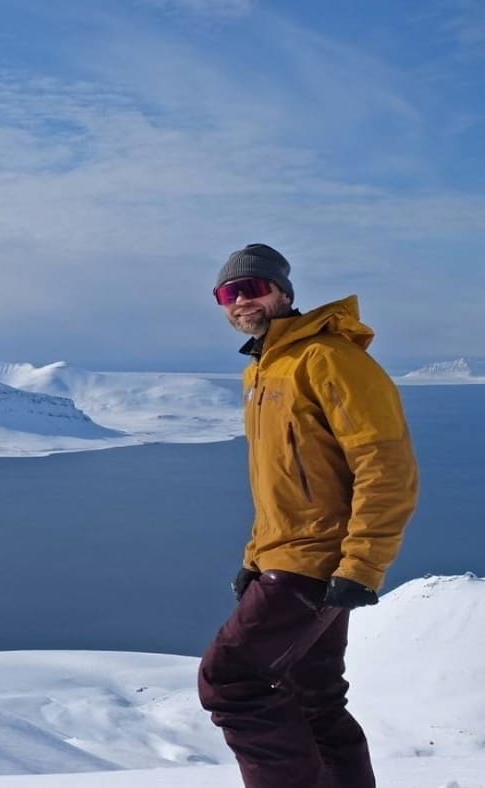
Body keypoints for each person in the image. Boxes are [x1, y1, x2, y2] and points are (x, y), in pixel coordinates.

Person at [197, 243, 419, 788]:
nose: (240, 301)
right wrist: (254, 556)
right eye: (229, 293)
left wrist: (362, 565)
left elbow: (385, 465)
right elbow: (281, 482)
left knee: (230, 681)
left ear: (284, 294)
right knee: (313, 697)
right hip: (290, 555)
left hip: (317, 561)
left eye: (253, 288)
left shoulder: (329, 358)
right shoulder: (264, 372)